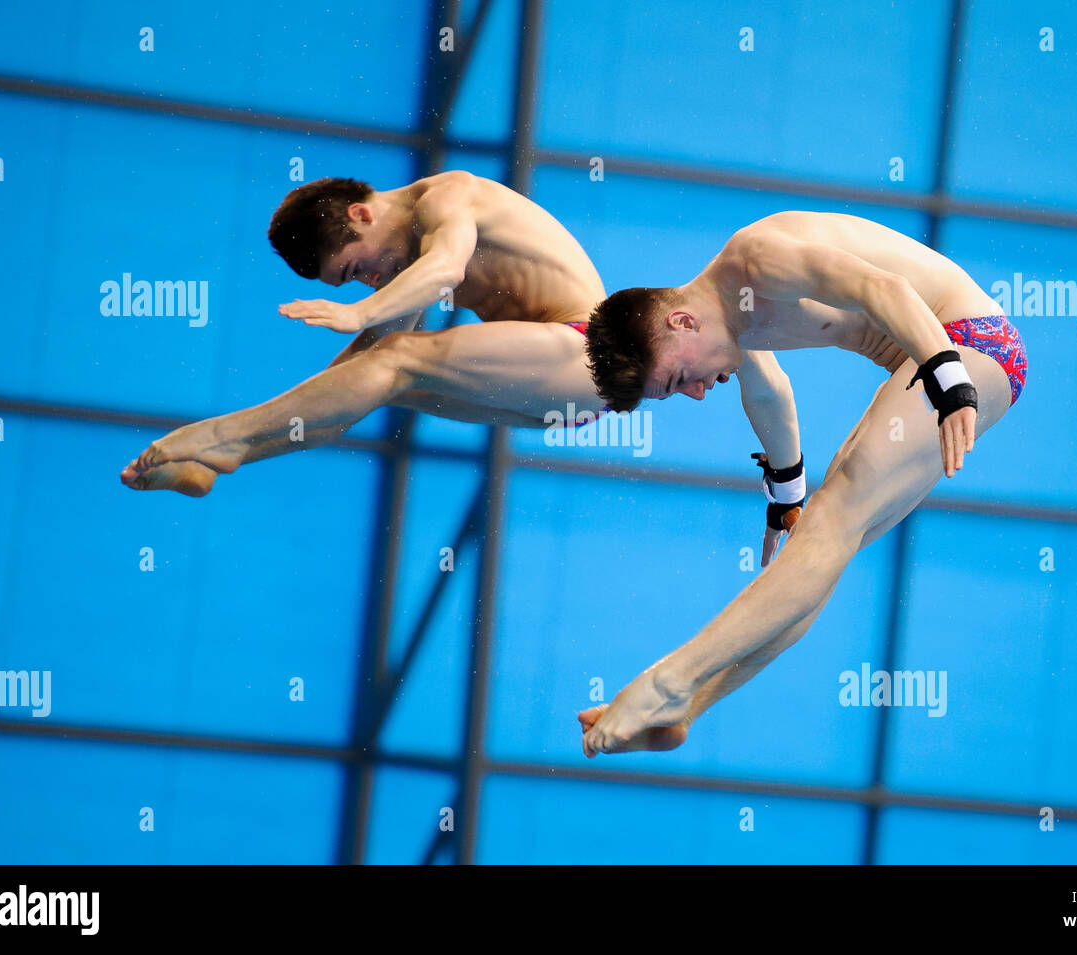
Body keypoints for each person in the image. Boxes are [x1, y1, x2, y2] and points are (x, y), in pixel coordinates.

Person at [120, 173, 805, 560]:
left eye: (358, 268)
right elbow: (359, 372)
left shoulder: (447, 200)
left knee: (390, 360)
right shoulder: (402, 268)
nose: (369, 284)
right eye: (352, 286)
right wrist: (345, 349)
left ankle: (219, 442)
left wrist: (364, 317)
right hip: (561, 388)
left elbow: (444, 269)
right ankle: (224, 459)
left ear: (364, 212)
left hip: (579, 351)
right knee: (376, 378)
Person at [577, 211, 1027, 756]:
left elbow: (881, 287)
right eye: (676, 392)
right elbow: (769, 394)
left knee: (830, 527)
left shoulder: (756, 259)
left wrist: (949, 379)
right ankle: (686, 710)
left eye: (677, 378)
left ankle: (666, 683)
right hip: (942, 356)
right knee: (823, 549)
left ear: (681, 322)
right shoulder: (732, 323)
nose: (695, 393)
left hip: (965, 344)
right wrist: (784, 499)